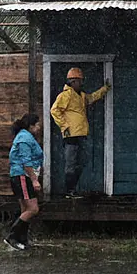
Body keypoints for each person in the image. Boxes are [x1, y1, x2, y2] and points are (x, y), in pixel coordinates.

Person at [50, 68, 110, 198]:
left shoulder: (81, 96)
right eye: (79, 80)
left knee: (81, 162)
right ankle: (69, 191)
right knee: (71, 164)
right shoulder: (65, 95)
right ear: (73, 81)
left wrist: (105, 89)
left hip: (81, 134)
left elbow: (92, 97)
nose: (81, 83)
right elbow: (54, 110)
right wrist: (64, 125)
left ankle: (72, 189)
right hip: (71, 135)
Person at [5, 113, 43, 251]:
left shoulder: (24, 136)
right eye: (37, 124)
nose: (39, 127)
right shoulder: (25, 139)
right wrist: (34, 180)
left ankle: (22, 239)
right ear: (31, 125)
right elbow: (26, 162)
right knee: (33, 209)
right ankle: (12, 237)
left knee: (24, 209)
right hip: (22, 176)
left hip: (20, 175)